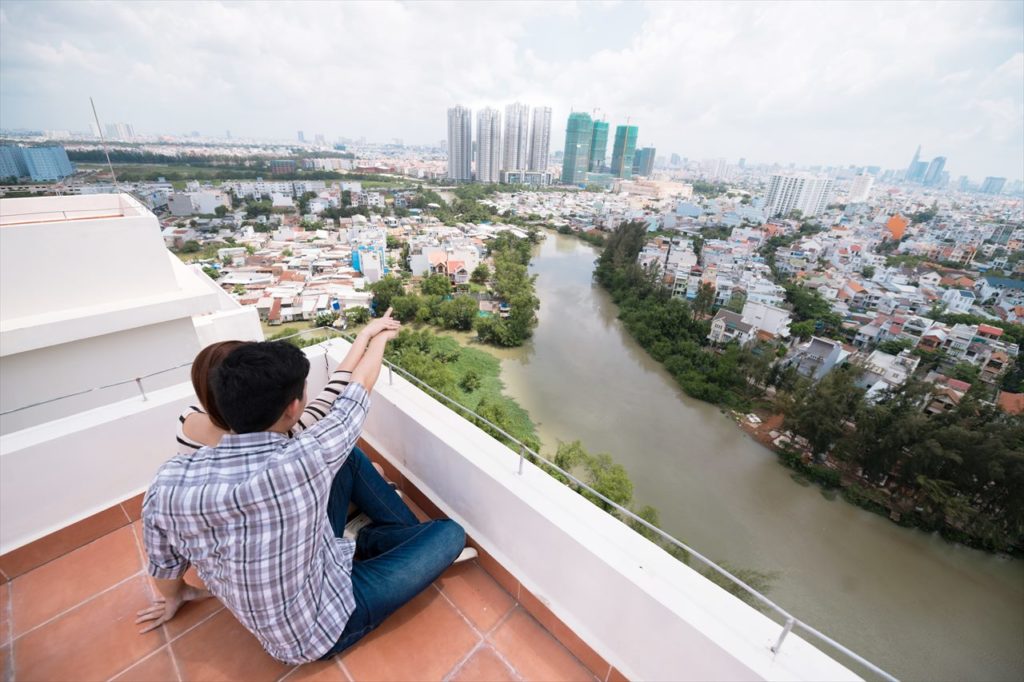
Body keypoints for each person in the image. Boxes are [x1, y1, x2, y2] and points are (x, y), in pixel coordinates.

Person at [138, 327, 467, 663]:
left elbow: (164, 563)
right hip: (319, 630)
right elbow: (359, 388)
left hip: (302, 575)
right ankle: (381, 540)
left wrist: (177, 594)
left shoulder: (169, 479)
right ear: (293, 408)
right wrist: (379, 338)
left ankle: (370, 541)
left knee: (349, 458)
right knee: (450, 534)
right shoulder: (302, 460)